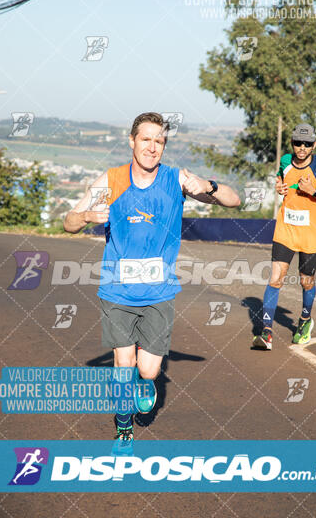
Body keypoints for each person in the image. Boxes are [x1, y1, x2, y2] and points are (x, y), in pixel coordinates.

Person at [64, 112, 240, 450]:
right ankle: (123, 429)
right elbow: (68, 222)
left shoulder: (176, 180)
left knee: (147, 370)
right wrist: (86, 216)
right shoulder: (112, 180)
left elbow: (235, 200)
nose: (152, 147)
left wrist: (209, 187)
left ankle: (147, 381)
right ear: (132, 141)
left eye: (159, 141)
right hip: (117, 289)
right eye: (146, 139)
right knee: (122, 362)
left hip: (159, 291)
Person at [253, 123, 316, 351]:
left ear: (314, 145)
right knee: (276, 277)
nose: (302, 148)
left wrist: (314, 192)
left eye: (307, 144)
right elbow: (282, 180)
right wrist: (280, 187)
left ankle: (304, 321)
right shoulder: (284, 161)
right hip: (285, 230)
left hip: (311, 236)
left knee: (306, 281)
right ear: (292, 143)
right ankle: (266, 330)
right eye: (298, 143)